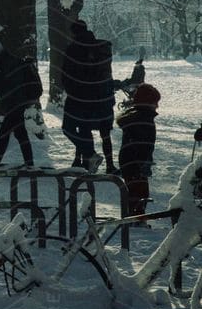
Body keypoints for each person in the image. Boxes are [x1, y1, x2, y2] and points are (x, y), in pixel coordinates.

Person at [61, 19, 118, 171]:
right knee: (105, 134)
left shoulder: (73, 49)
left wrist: (71, 91)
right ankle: (110, 165)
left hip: (81, 99)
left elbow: (66, 75)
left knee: (76, 129)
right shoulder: (101, 48)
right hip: (103, 98)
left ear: (73, 32)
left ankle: (87, 158)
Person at [0, 37, 41, 168]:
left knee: (8, 133)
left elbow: (1, 83)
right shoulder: (8, 60)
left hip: (14, 103)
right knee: (16, 134)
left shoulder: (4, 63)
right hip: (17, 102)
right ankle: (28, 163)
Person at [116, 82, 160, 214]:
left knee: (135, 189)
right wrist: (144, 164)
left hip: (128, 161)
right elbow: (145, 145)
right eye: (155, 102)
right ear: (147, 103)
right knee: (140, 191)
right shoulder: (144, 119)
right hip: (136, 162)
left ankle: (135, 215)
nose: (157, 106)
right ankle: (136, 217)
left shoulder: (136, 117)